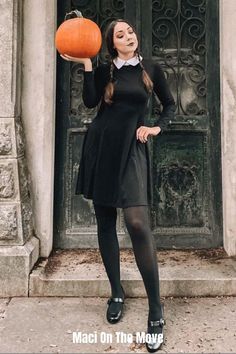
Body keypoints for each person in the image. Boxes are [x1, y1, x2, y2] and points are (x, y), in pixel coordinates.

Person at [61, 18, 176, 352]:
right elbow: (88, 102)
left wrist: (156, 128)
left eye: (131, 32)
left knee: (138, 224)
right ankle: (116, 292)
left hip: (132, 151)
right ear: (112, 43)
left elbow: (169, 105)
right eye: (121, 34)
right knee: (105, 221)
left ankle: (156, 309)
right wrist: (86, 64)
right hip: (102, 148)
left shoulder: (151, 69)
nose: (129, 36)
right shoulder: (105, 70)